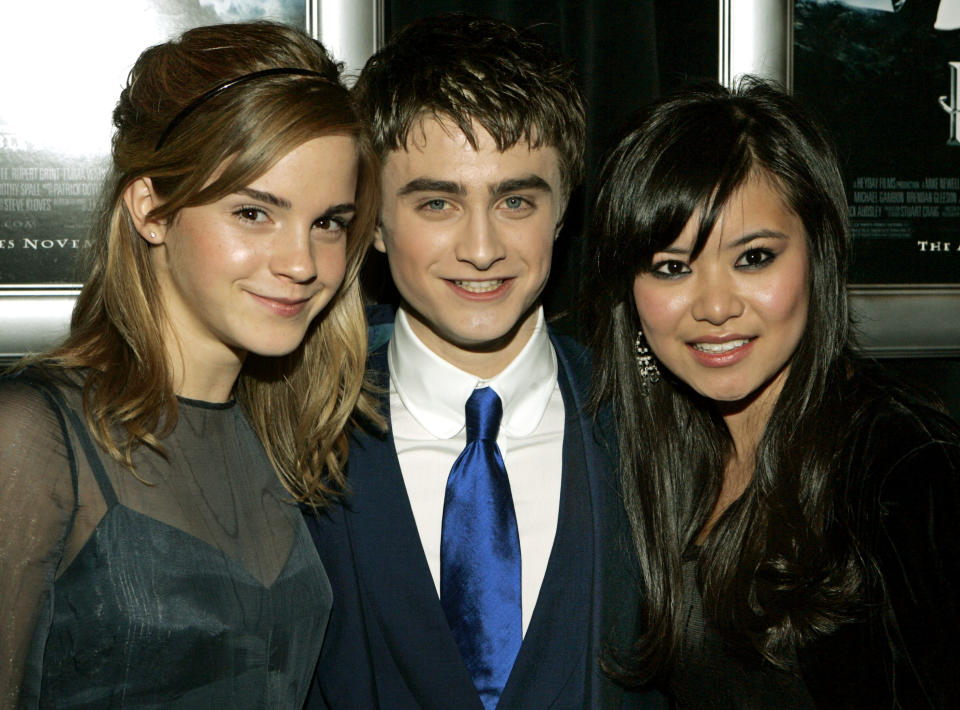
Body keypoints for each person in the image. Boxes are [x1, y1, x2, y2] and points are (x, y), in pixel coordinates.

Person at [0, 21, 378, 708]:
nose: (302, 262)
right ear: (151, 209)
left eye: (329, 221)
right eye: (254, 213)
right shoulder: (35, 437)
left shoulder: (282, 434)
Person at [304, 13, 664, 710]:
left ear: (563, 211)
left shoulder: (653, 426)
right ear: (372, 219)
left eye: (516, 200)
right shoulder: (287, 422)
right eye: (437, 202)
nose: (480, 247)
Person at [589, 77, 960, 708]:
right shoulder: (636, 450)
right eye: (672, 267)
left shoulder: (908, 473)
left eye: (753, 257)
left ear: (818, 254)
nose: (713, 306)